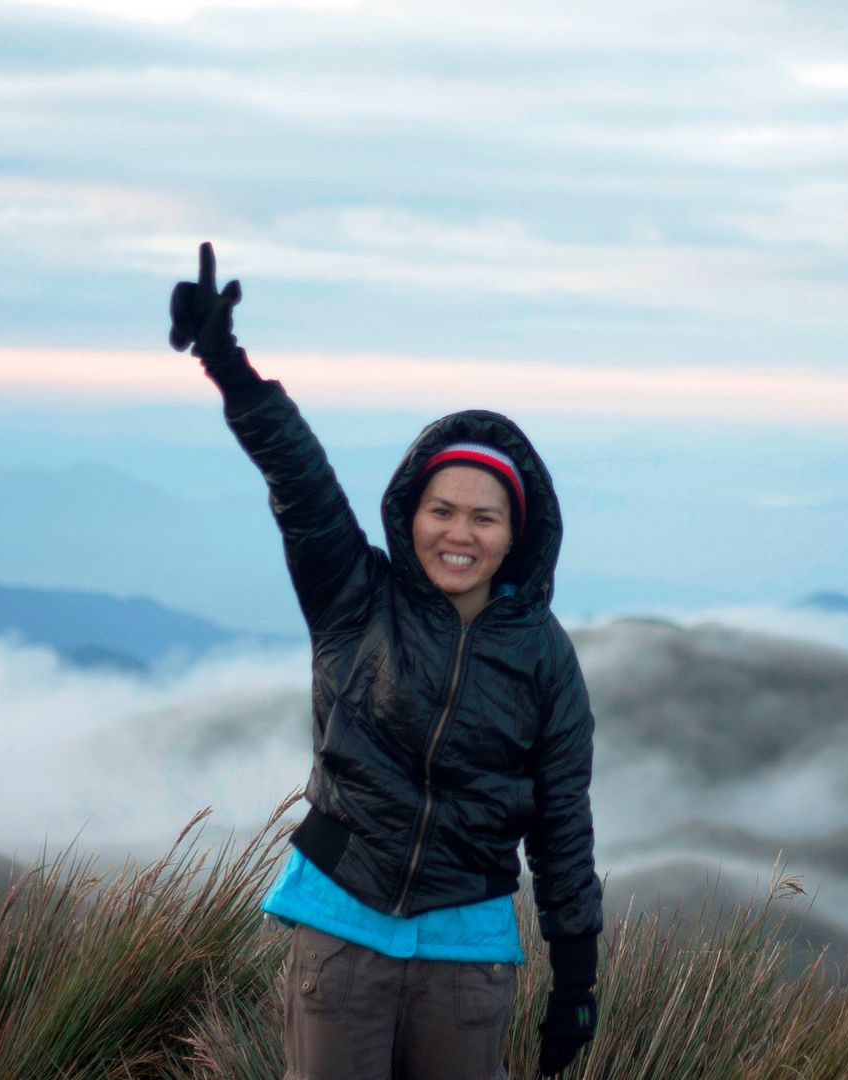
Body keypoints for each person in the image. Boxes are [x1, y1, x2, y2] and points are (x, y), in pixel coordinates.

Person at [169, 243, 602, 1080]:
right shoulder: (353, 597)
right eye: (442, 510)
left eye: (485, 518)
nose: (460, 534)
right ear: (411, 515)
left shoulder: (545, 658)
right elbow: (301, 483)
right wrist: (228, 365)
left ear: (516, 536)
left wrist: (576, 971)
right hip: (342, 926)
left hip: (468, 947)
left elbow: (562, 820)